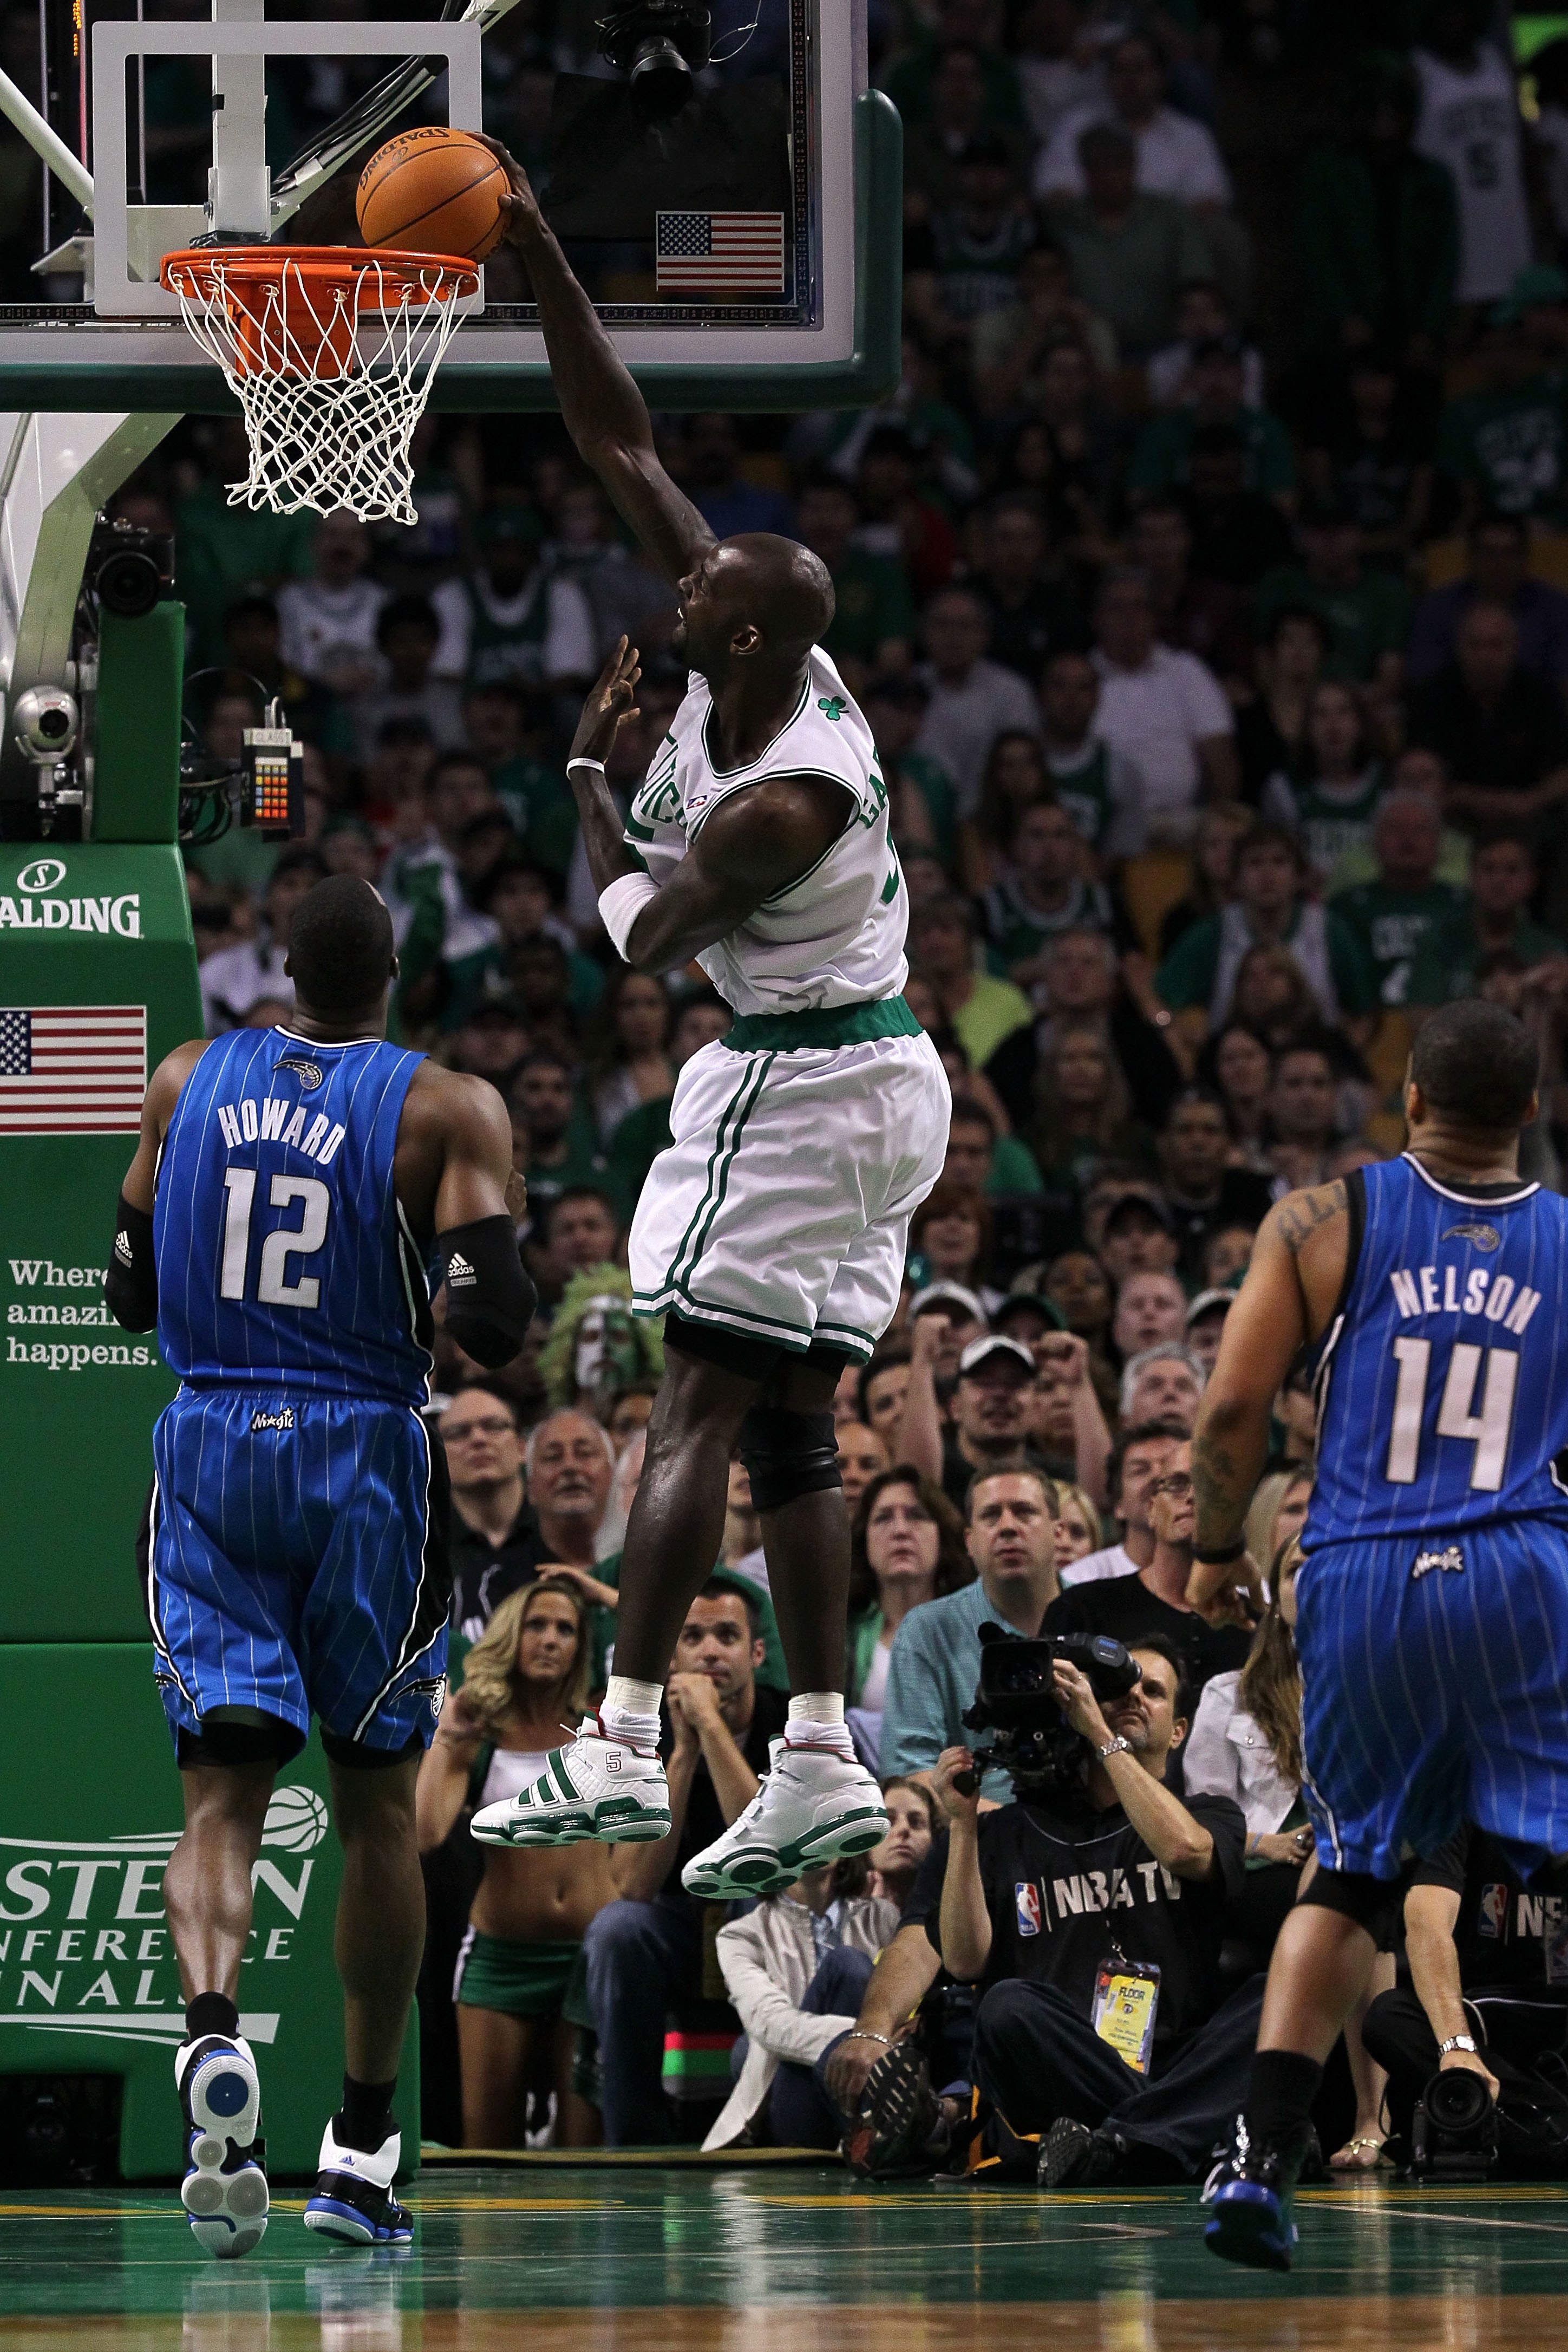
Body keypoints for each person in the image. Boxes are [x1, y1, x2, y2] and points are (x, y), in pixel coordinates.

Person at [471, 142, 952, 1887]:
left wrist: (594, 776)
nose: (671, 595)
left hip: (810, 1078)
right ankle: (821, 1749)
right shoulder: (755, 651)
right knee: (795, 1421)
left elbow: (637, 931)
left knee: (690, 1403)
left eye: (698, 601)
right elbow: (624, 444)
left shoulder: (783, 800)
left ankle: (608, 1739)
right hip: (866, 1067)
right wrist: (531, 245)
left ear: (745, 640)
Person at [104, 874, 537, 2253]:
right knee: (371, 1810)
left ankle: (212, 2026)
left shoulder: (185, 1075)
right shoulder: (444, 1105)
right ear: (397, 970)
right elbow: (499, 1328)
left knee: (221, 1795)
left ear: (277, 971)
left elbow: (123, 1283)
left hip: (212, 1441)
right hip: (362, 1457)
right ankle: (356, 2146)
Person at [1192, 998, 1568, 2270]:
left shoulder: (1321, 1217)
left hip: (1361, 1569)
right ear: (1527, 1108)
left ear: (1405, 1097)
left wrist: (1203, 1550)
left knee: (1350, 1866)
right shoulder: (1566, 1239)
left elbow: (1232, 1404)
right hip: (1522, 1565)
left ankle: (1257, 2149)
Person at [918, 1639, 1254, 2188]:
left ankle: (1119, 2146)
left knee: (1274, 1996)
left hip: (1175, 2062)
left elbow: (1184, 1853)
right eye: (1117, 1691)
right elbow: (963, 1959)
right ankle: (1172, 2137)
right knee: (1005, 2006)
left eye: (1153, 1690)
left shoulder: (1211, 1815)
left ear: (1179, 1731)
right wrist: (961, 1824)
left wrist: (1102, 1735)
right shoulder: (1006, 1832)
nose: (1134, 1698)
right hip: (1063, 2074)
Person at [578, 1583, 789, 2144]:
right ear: (672, 1660)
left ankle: (773, 2124)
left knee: (757, 1900)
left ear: (757, 1654)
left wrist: (713, 1729)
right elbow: (632, 1886)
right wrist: (684, 1752)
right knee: (616, 1930)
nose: (710, 1652)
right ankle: (635, 2140)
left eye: (727, 1636)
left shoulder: (790, 1727)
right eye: (692, 1638)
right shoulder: (640, 1738)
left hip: (769, 1920)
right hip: (676, 1925)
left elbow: (767, 1865)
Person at [415, 1580, 612, 2148]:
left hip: (584, 1961)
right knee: (488, 2152)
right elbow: (426, 1832)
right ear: (510, 1635)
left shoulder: (603, 1729)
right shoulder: (480, 1731)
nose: (550, 1639)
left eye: (565, 1629)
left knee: (584, 2153)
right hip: (500, 1961)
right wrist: (448, 1742)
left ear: (582, 1646)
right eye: (536, 1625)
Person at [882, 1465, 1061, 1802]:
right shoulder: (927, 1631)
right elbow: (911, 1774)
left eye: (1025, 1512)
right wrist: (1017, 1832)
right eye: (991, 1516)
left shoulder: (1096, 1617)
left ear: (1059, 1532)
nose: (1008, 1527)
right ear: (970, 1542)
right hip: (979, 1839)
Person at [704, 1857, 904, 2151]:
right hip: (796, 2102)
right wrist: (869, 2037)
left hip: (867, 2091)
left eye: (823, 1824)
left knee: (850, 1965)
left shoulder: (883, 1918)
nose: (813, 1837)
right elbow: (771, 2024)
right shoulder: (740, 1935)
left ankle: (872, 2132)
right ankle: (878, 2135)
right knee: (752, 2046)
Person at [1047, 1439, 1250, 1703]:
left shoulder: (1255, 1625)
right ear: (1152, 1510)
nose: (1191, 1497)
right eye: (1177, 1484)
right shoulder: (1082, 1610)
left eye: (1208, 1486)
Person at [846, 1468, 974, 1770]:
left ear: (942, 1535)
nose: (901, 1530)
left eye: (916, 1515)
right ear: (864, 1538)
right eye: (883, 1518)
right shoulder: (842, 1632)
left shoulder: (973, 1627)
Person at [1065, 1420, 1187, 1586]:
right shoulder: (1080, 1580)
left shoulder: (1224, 1582)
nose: (1158, 1475)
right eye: (1140, 1470)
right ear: (1119, 1505)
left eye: (1170, 1466)